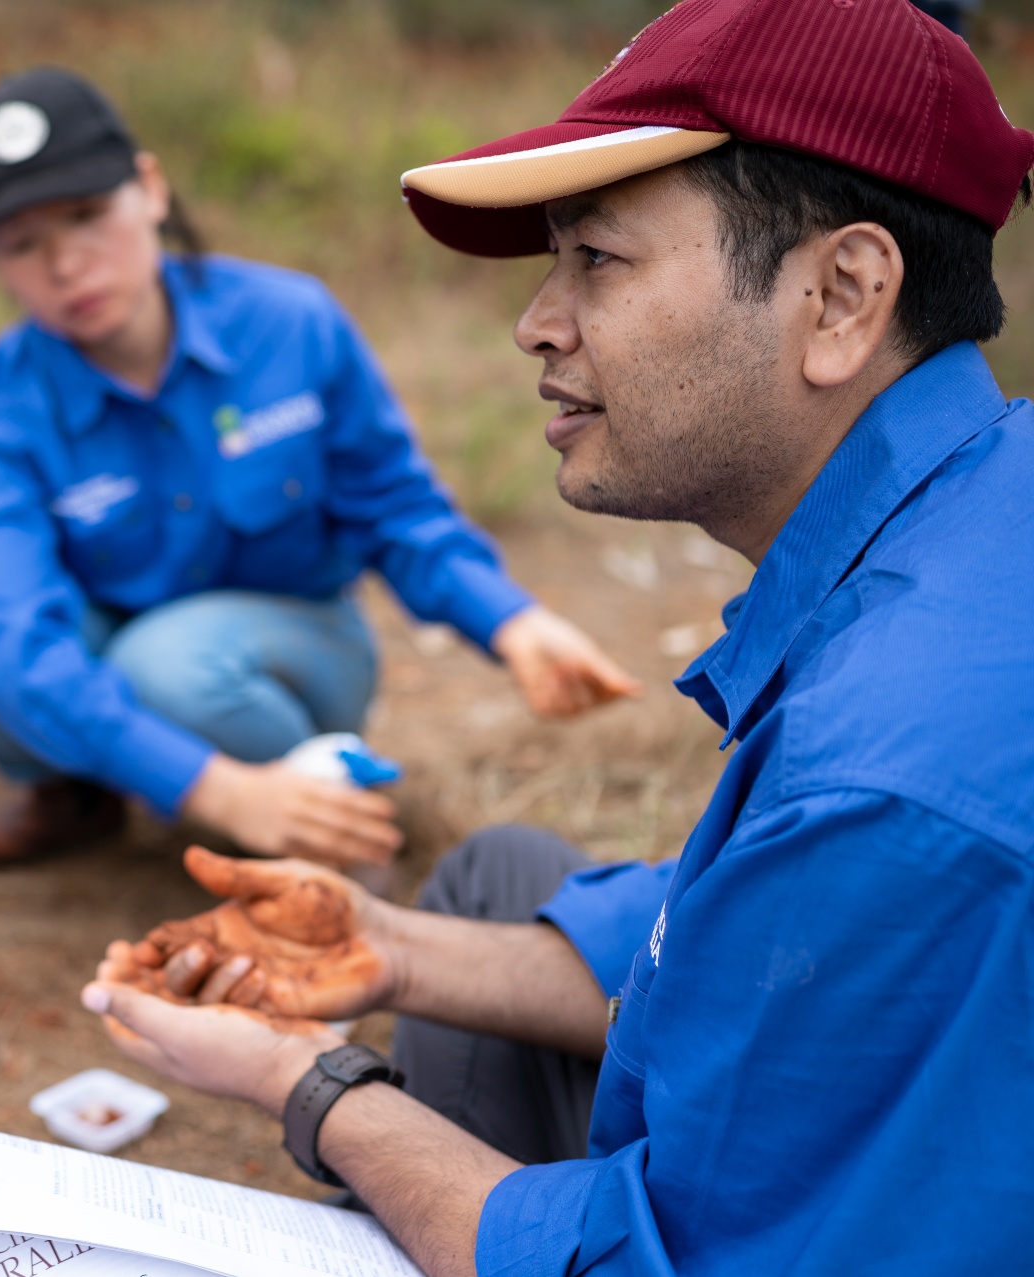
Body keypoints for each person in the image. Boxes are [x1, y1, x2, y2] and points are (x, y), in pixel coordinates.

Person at [80, 1, 1034, 1273]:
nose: (537, 320)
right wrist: (387, 948)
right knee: (492, 879)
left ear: (843, 296)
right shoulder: (982, 503)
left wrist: (318, 1088)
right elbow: (758, 946)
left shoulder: (878, 776)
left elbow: (668, 1258)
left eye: (599, 259)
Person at [0, 67, 638, 870]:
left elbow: (394, 509)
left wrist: (510, 620)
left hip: (287, 648)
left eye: (87, 215)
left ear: (149, 189)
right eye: (22, 243)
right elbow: (7, 638)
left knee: (166, 663)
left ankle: (333, 835)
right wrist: (217, 790)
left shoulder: (290, 325)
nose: (66, 263)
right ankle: (83, 798)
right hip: (129, 646)